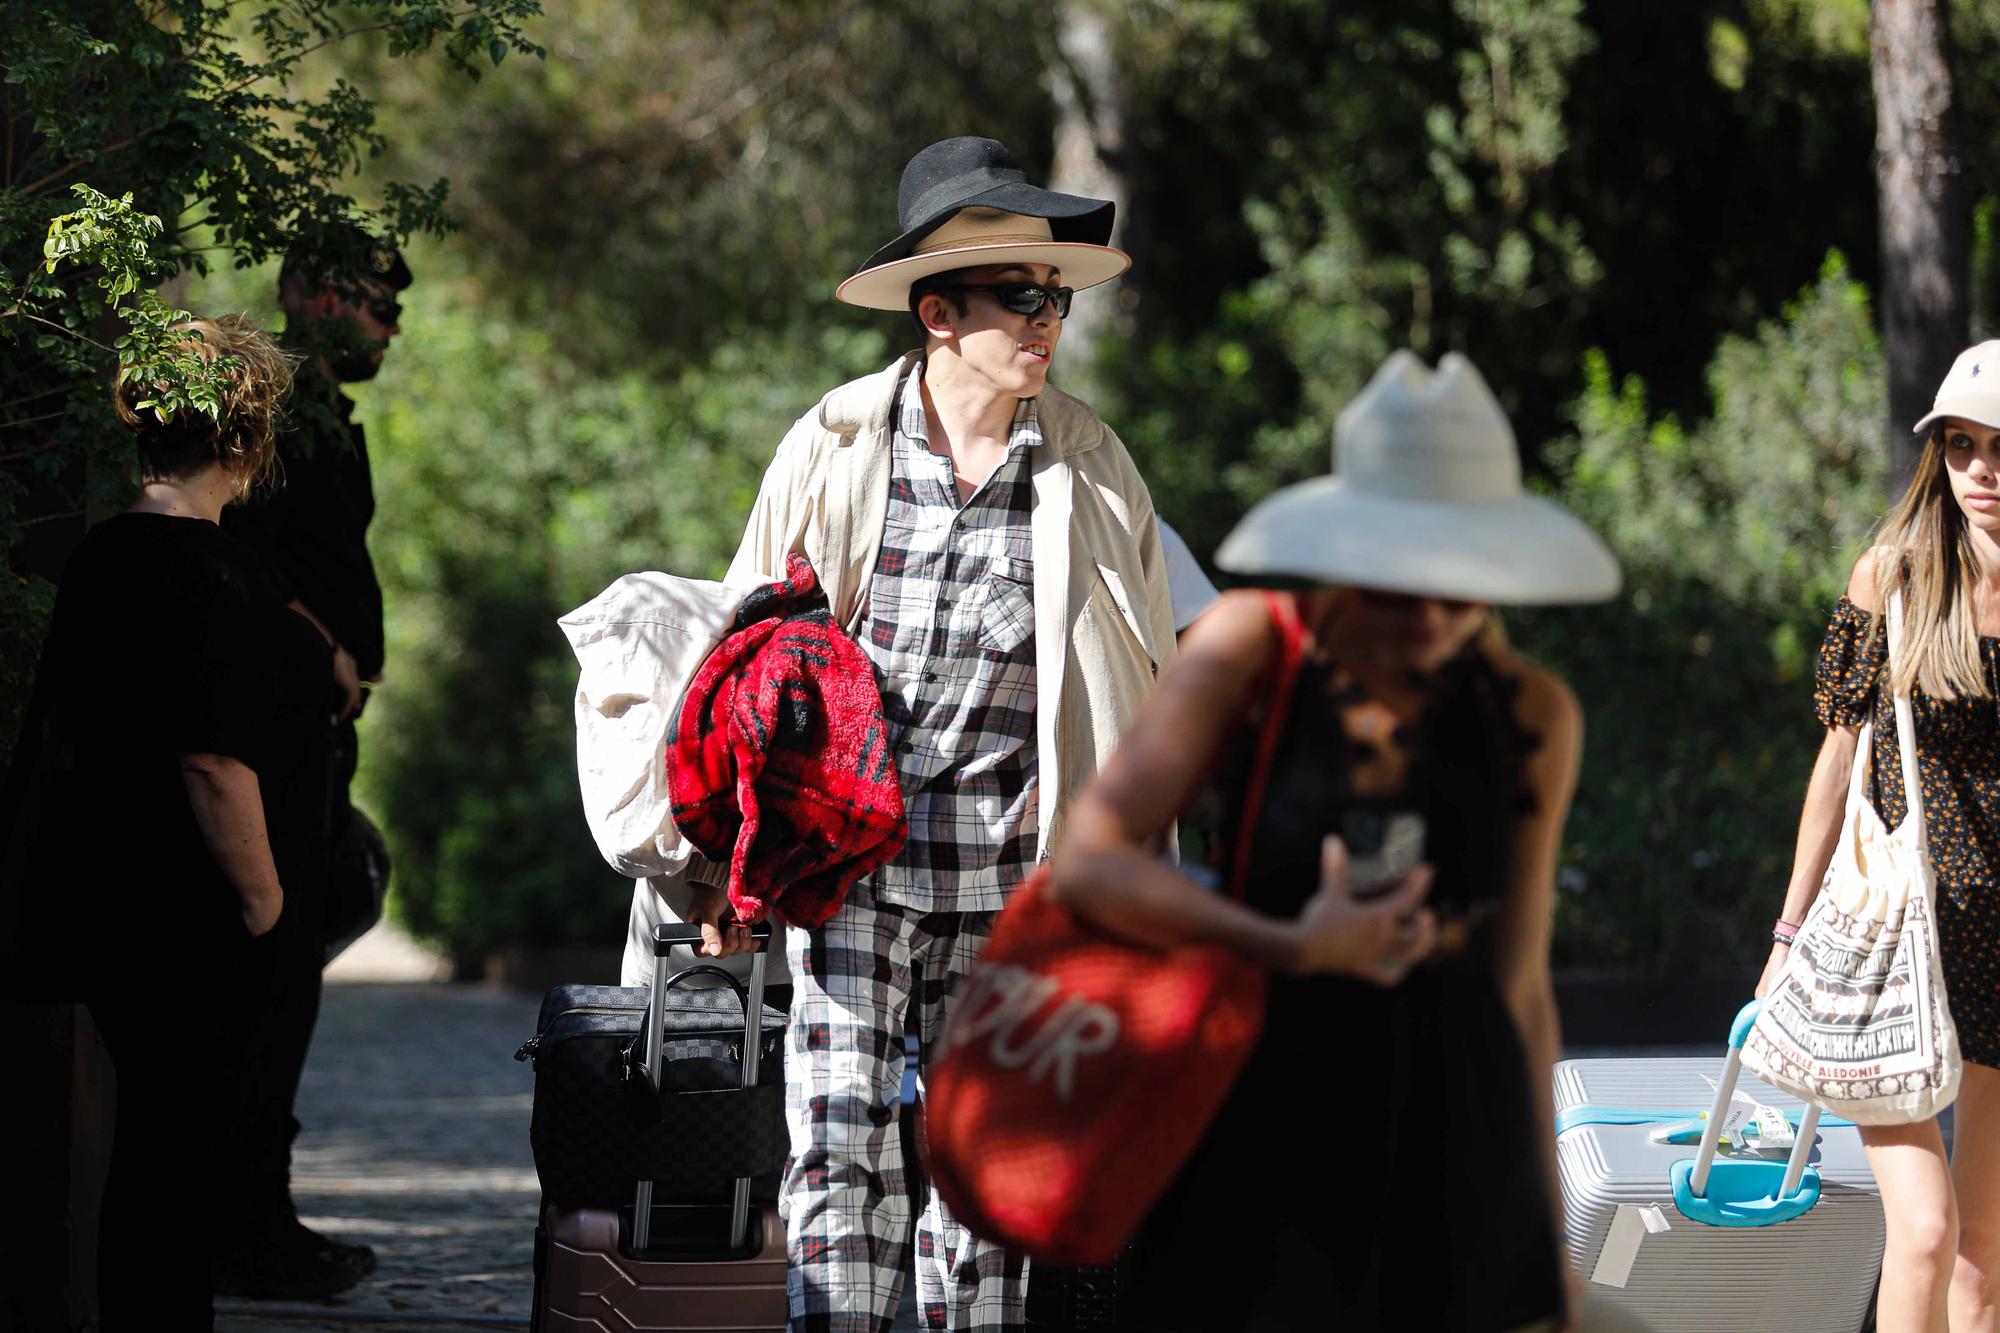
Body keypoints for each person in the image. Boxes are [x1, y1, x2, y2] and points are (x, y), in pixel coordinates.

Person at [684, 135, 1175, 1331]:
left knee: (980, 1176)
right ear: (938, 311)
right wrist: (718, 867)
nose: (1044, 318)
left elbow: (1151, 684)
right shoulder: (835, 445)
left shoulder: (1092, 463)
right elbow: (740, 668)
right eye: (1019, 295)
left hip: (1015, 883)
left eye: (1052, 295)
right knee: (835, 1153)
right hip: (852, 877)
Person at [1045, 350, 1620, 1331]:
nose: (1434, 616)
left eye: (1463, 584)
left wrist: (1543, 1240)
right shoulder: (1250, 648)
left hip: (1451, 1125)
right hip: (1263, 1108)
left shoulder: (1530, 710)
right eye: (1403, 584)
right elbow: (1087, 861)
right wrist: (1281, 941)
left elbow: (1517, 984)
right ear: (1350, 553)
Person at [8, 316, 330, 1326]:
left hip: (103, 893)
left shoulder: (105, 554)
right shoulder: (213, 572)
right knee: (177, 1161)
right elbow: (212, 758)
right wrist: (266, 899)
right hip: (188, 910)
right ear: (240, 441)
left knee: (149, 1152)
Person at [1758, 340, 2000, 1333]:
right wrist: (1784, 932)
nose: (1980, 472)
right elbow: (1834, 756)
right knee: (1924, 1232)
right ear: (1934, 455)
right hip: (1894, 941)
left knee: (1981, 1269)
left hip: (1997, 950)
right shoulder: (1891, 575)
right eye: (1960, 446)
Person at [214, 221, 410, 1296]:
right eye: (376, 303)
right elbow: (234, 547)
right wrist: (315, 642)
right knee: (271, 971)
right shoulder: (275, 411)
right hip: (272, 730)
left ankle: (252, 1216)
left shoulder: (324, 413)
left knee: (293, 966)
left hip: (313, 733)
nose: (390, 324)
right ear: (315, 296)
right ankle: (245, 1229)